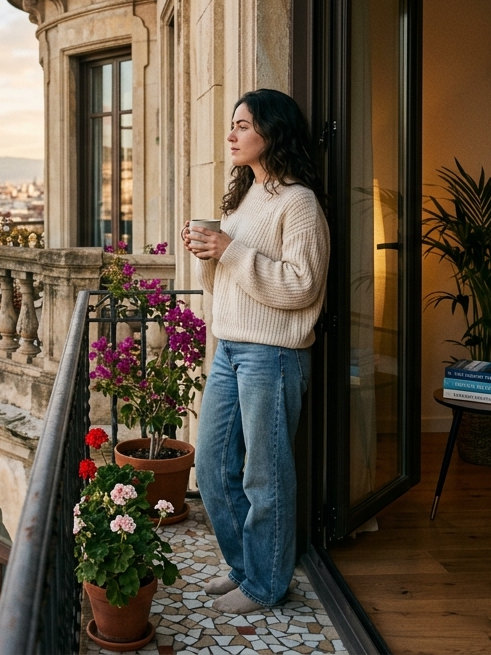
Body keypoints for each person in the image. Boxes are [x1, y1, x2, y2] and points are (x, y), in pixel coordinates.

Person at [181, 88, 328, 615]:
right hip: (231, 349)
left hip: (274, 355)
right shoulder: (245, 200)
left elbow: (302, 286)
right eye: (233, 125)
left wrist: (230, 250)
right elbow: (229, 282)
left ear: (272, 131)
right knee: (216, 468)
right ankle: (247, 569)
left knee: (264, 475)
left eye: (243, 125)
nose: (232, 134)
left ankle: (266, 585)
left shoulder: (299, 202)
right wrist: (207, 253)